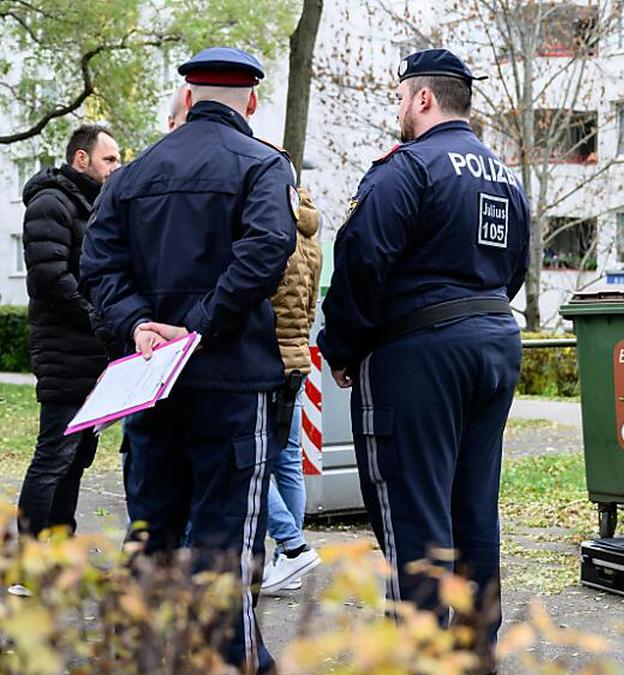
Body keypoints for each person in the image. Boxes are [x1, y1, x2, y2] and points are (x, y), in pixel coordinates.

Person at [80, 47, 296, 673]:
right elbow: (266, 251)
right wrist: (196, 329)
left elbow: (99, 270)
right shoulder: (263, 167)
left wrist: (138, 326)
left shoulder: (131, 175)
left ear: (189, 96)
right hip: (232, 386)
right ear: (251, 100)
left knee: (151, 534)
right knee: (226, 543)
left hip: (151, 387)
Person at [317, 48, 530, 655]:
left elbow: (360, 260)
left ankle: (424, 650)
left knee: (412, 505)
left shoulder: (406, 169)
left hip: (420, 353)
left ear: (423, 98)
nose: (401, 110)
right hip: (493, 342)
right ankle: (474, 644)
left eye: (402, 98)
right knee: (472, 504)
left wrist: (343, 344)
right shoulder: (504, 177)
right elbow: (514, 270)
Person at [14, 125, 120, 551]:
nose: (116, 167)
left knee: (77, 459)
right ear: (82, 159)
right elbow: (51, 277)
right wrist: (100, 319)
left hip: (91, 355)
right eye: (109, 159)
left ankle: (58, 550)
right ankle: (26, 558)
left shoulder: (90, 206)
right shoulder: (50, 203)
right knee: (54, 457)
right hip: (64, 353)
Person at [260, 186, 322, 595]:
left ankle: (292, 543)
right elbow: (312, 304)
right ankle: (290, 565)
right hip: (298, 360)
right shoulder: (312, 243)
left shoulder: (274, 238)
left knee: (249, 463)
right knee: (287, 463)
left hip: (267, 360)